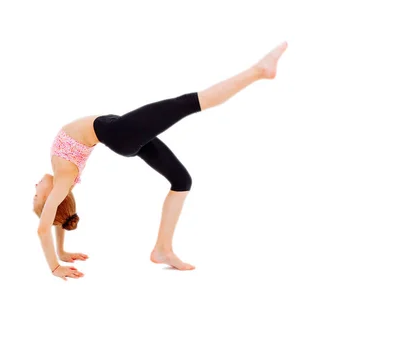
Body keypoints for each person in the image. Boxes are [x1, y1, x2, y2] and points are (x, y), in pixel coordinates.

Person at [33, 41, 289, 280]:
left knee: (181, 180)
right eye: (37, 197)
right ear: (49, 201)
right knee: (187, 103)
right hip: (120, 133)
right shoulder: (63, 179)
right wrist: (55, 266)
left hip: (120, 131)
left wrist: (63, 251)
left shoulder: (61, 181)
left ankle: (162, 249)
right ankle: (259, 71)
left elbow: (55, 217)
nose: (34, 189)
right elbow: (44, 227)